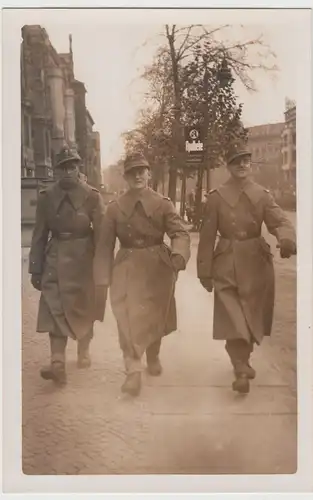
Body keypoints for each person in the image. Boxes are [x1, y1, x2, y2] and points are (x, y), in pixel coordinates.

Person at [197, 145, 296, 394]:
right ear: (228, 166)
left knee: (251, 313)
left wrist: (285, 238)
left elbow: (279, 220)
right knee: (232, 314)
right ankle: (240, 366)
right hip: (226, 260)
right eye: (236, 162)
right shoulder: (217, 197)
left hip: (256, 261)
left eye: (246, 161)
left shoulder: (262, 194)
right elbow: (207, 235)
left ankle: (242, 360)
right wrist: (204, 270)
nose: (242, 165)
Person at [98, 153, 191, 397]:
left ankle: (153, 354)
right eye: (132, 172)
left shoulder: (163, 204)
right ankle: (133, 371)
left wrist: (179, 255)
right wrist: (102, 277)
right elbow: (105, 245)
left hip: (157, 267)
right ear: (126, 177)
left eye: (142, 170)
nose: (138, 175)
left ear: (149, 173)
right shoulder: (114, 209)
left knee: (154, 314)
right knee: (126, 316)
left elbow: (179, 232)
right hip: (126, 267)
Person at [29, 146, 107, 387]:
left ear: (78, 168)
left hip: (85, 258)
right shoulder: (46, 197)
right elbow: (39, 234)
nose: (67, 172)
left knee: (85, 307)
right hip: (56, 257)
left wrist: (102, 267)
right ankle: (57, 363)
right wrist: (36, 267)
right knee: (55, 308)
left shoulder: (93, 196)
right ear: (55, 170)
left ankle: (83, 349)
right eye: (62, 167)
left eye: (71, 167)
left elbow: (103, 235)